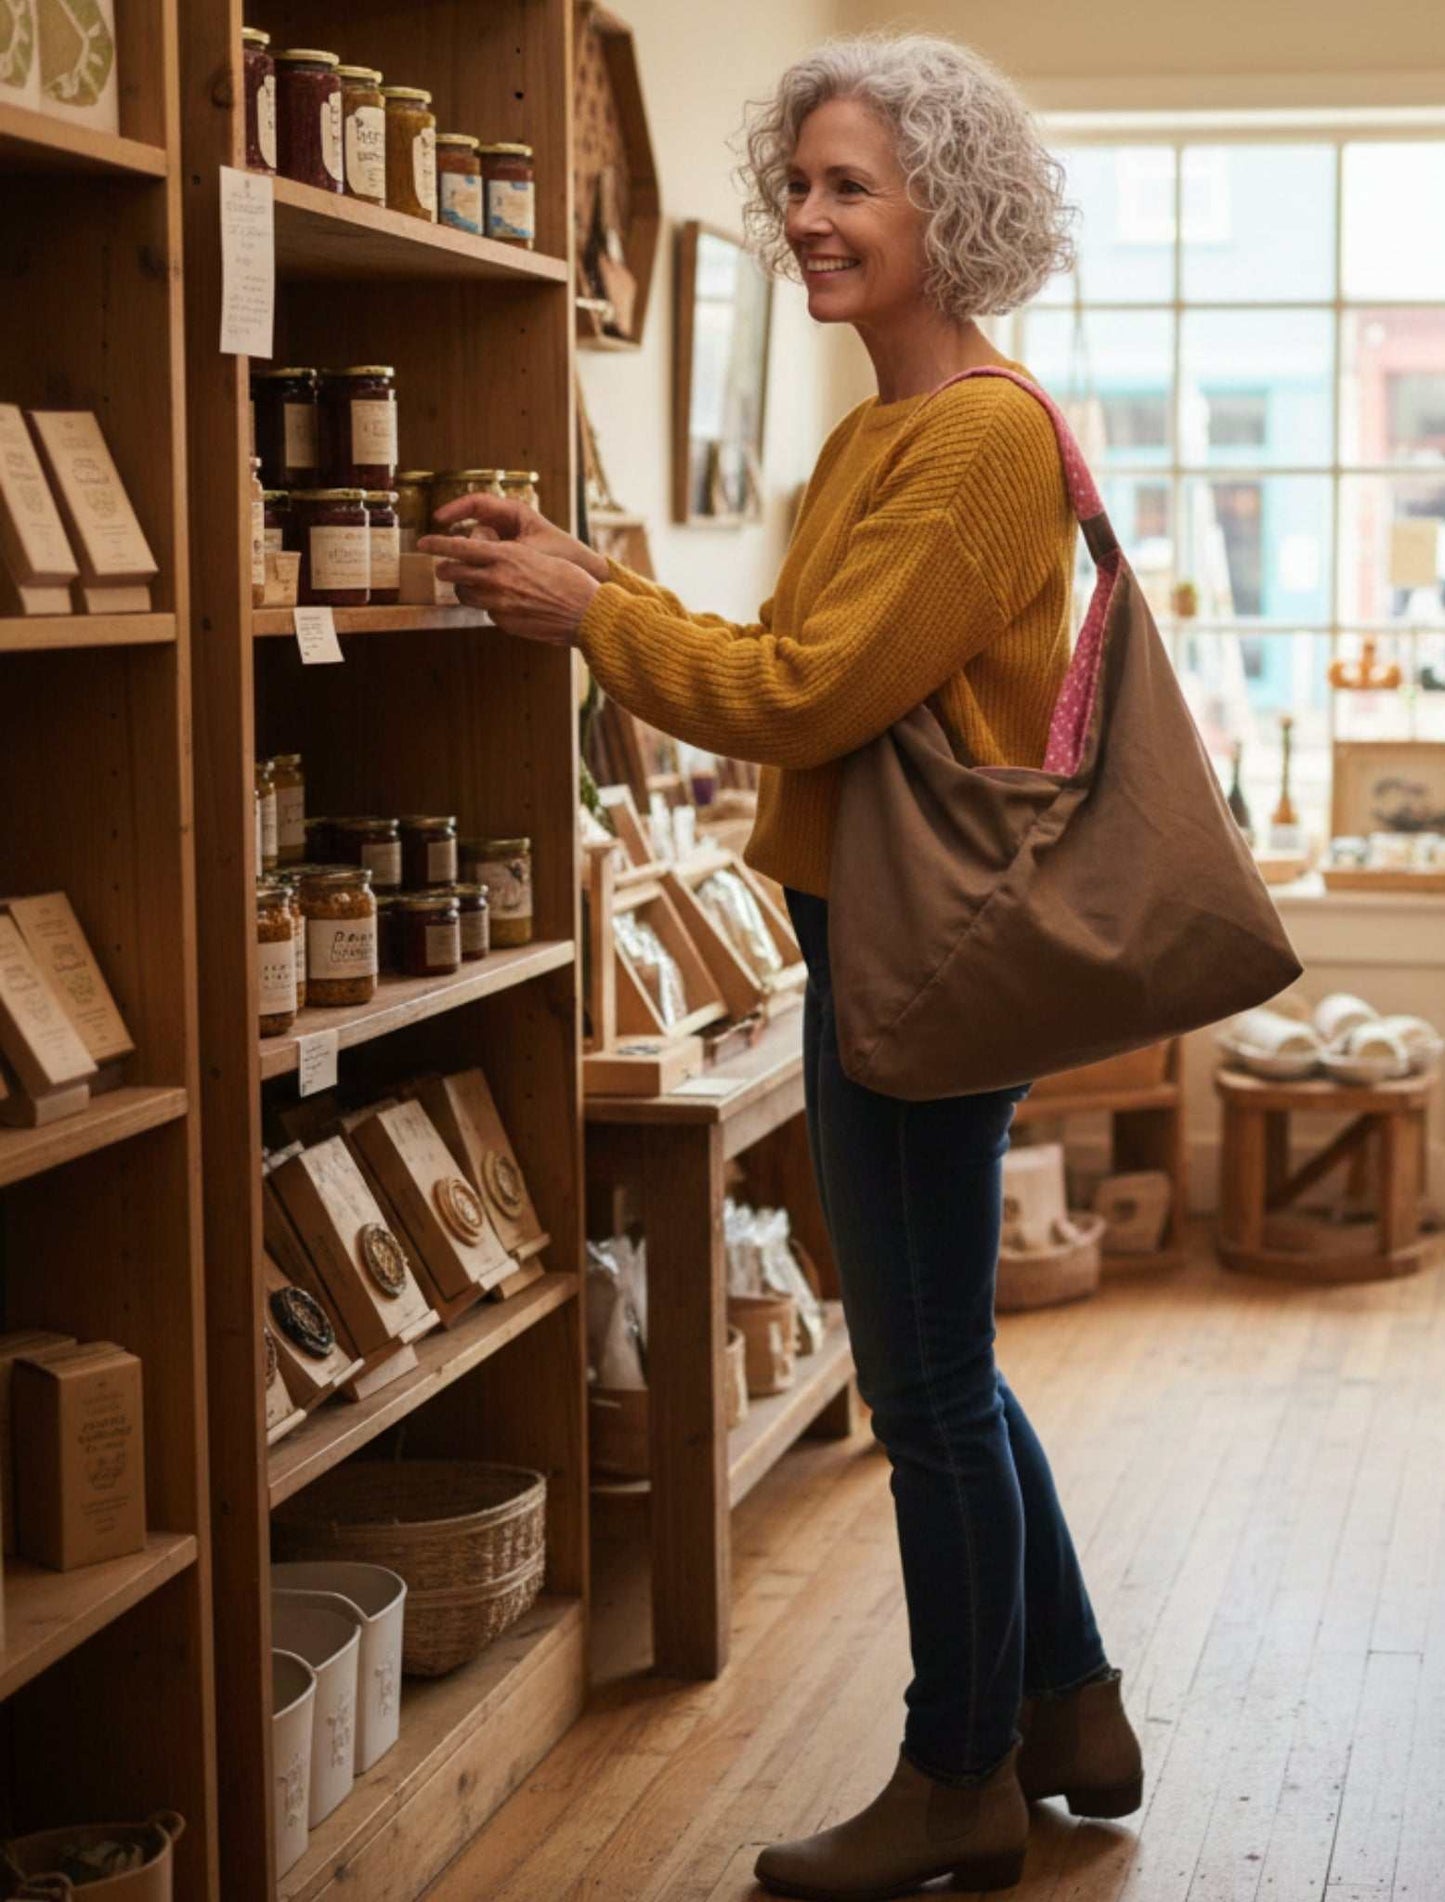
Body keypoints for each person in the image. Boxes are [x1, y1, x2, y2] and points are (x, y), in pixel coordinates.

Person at [420, 31, 1142, 1900]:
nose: (806, 219)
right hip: (879, 944)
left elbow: (804, 698)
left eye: (851, 189)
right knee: (943, 1373)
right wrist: (603, 577)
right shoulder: (877, 435)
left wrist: (595, 615)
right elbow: (793, 656)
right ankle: (1065, 1703)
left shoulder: (977, 436)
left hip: (916, 961)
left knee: (920, 1393)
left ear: (947, 212)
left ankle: (957, 1774)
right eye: (799, 184)